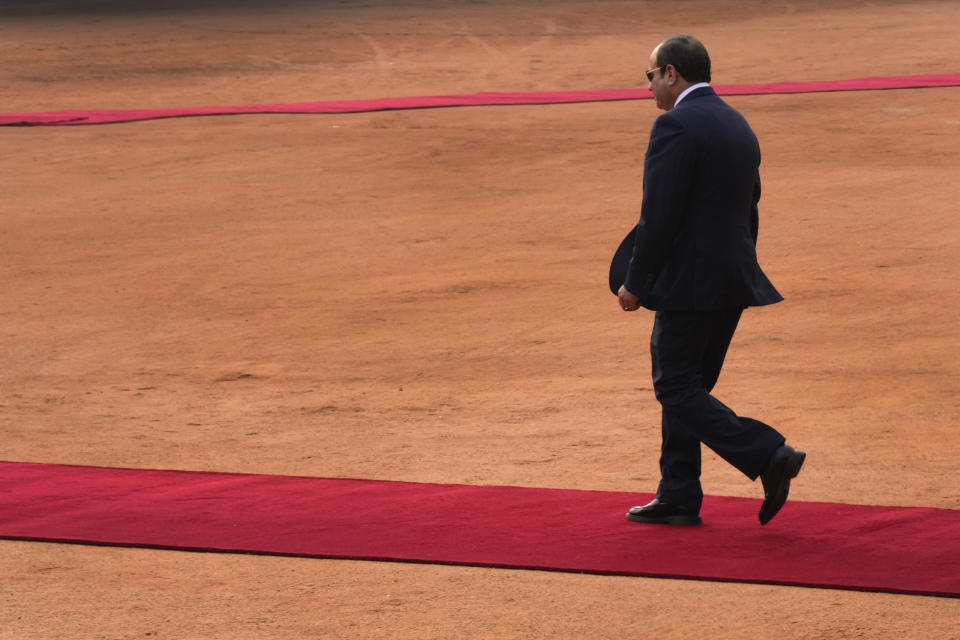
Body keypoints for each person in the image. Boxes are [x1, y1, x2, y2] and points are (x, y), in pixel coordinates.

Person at [617, 35, 805, 526]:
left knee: (676, 386)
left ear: (673, 74)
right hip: (732, 280)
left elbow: (658, 217)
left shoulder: (674, 125)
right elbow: (751, 206)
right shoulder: (737, 123)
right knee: (691, 386)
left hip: (689, 282)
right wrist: (739, 268)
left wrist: (636, 282)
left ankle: (769, 453)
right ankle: (678, 492)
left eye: (651, 76)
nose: (650, 88)